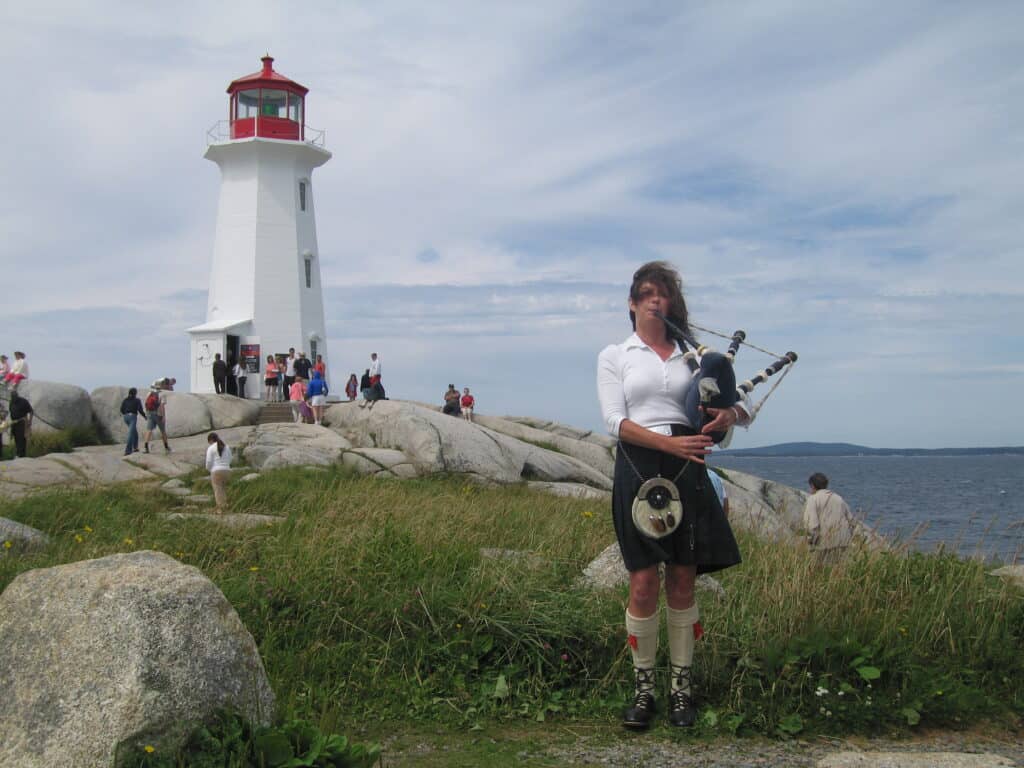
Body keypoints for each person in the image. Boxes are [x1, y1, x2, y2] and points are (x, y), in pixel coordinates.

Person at [597, 261, 752, 731]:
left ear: (672, 303)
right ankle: (644, 692)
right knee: (643, 581)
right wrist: (669, 444)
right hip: (639, 464)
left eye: (662, 294)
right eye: (645, 293)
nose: (654, 301)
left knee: (683, 580)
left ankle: (681, 692)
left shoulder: (693, 356)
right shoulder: (615, 354)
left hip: (689, 465)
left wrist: (731, 417)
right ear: (631, 303)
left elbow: (733, 404)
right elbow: (614, 421)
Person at [803, 473, 858, 563]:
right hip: (844, 542)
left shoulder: (813, 499)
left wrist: (811, 542)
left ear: (812, 485)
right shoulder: (838, 498)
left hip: (824, 545)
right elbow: (852, 521)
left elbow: (812, 525)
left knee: (822, 571)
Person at [205, 432, 232, 510]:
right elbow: (230, 459)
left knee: (218, 491)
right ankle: (225, 506)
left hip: (216, 471)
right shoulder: (226, 446)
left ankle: (220, 509)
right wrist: (226, 465)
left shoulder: (211, 448)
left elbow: (208, 462)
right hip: (227, 471)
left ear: (210, 440)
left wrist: (209, 470)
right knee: (223, 489)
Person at [143, 385, 171, 454]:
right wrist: (163, 416)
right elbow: (162, 406)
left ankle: (146, 448)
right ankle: (166, 447)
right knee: (163, 431)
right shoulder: (162, 394)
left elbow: (146, 404)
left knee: (149, 430)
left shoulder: (149, 393)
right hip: (158, 415)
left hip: (150, 413)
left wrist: (147, 413)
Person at [119, 387, 146, 455]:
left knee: (134, 432)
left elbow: (121, 409)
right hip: (132, 417)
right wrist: (145, 417)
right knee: (131, 434)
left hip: (125, 417)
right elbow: (140, 410)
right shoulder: (137, 400)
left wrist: (125, 414)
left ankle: (135, 447)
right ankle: (128, 450)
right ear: (135, 393)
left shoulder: (125, 400)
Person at [7, 389, 33, 458]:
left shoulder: (23, 401)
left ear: (17, 395)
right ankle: (19, 454)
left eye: (14, 396)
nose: (13, 398)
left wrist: (30, 421)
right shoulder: (11, 402)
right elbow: (11, 412)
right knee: (16, 438)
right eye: (12, 396)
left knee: (21, 438)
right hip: (14, 423)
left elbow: (31, 411)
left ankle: (21, 455)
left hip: (22, 422)